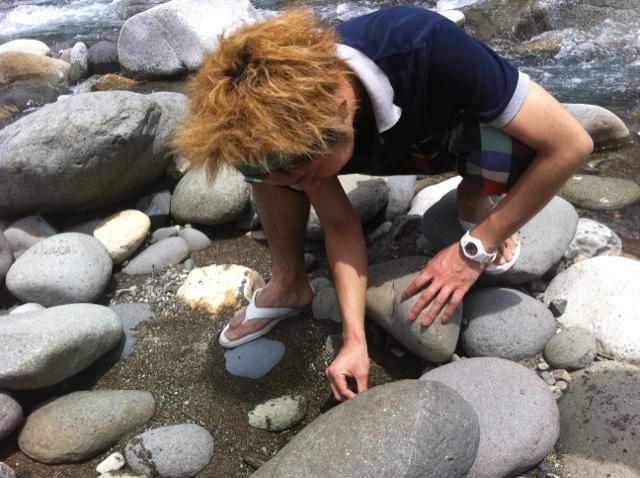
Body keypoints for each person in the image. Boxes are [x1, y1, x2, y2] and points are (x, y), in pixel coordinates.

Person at [175, 6, 593, 402]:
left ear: (341, 111)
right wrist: (354, 340)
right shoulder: (294, 131)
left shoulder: (427, 46)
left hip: (443, 126)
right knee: (269, 173)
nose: (308, 188)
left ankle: (474, 197)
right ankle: (289, 283)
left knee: (518, 131)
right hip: (363, 141)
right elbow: (340, 225)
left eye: (310, 176)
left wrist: (475, 248)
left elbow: (572, 145)